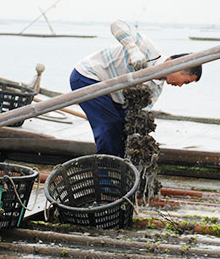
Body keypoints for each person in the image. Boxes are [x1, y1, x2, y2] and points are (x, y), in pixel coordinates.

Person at [70, 19, 202, 157]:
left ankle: (121, 168)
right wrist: (133, 50)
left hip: (111, 93)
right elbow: (117, 24)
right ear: (179, 66)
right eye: (185, 81)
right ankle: (106, 172)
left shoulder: (155, 90)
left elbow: (138, 115)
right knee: (108, 124)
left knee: (123, 130)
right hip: (87, 76)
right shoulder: (148, 49)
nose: (180, 86)